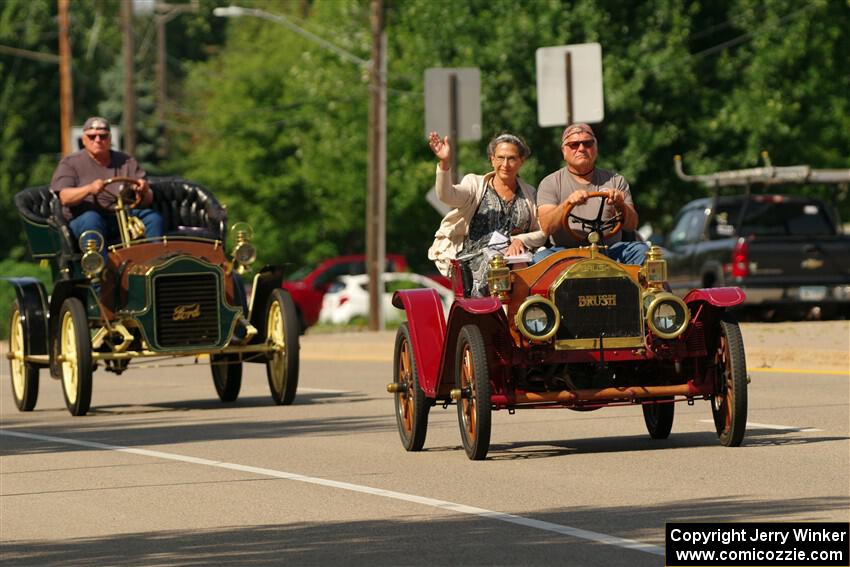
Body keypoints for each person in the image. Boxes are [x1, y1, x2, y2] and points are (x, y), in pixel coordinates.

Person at [427, 131, 547, 296]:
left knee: (532, 266)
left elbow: (542, 232)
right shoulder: (474, 185)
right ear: (492, 159)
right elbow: (447, 196)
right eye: (500, 158)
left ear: (521, 161)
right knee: (498, 265)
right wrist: (445, 163)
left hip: (518, 259)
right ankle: (493, 308)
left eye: (512, 158)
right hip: (477, 259)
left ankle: (525, 310)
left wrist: (520, 240)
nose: (505, 164)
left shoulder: (530, 193)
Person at [535, 123, 647, 265]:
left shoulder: (616, 180)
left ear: (596, 148)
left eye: (587, 143)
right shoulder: (550, 183)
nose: (581, 148)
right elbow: (546, 227)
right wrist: (567, 203)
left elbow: (632, 225)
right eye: (574, 145)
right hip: (566, 253)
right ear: (564, 151)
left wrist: (621, 205)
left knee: (642, 251)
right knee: (540, 259)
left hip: (609, 251)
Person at [50, 116, 163, 252]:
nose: (98, 140)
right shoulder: (70, 163)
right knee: (91, 219)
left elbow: (147, 200)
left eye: (103, 136)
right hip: (86, 218)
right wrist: (89, 189)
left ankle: (153, 259)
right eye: (92, 137)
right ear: (84, 140)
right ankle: (98, 263)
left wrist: (143, 190)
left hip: (121, 215)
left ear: (110, 139)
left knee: (152, 218)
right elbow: (65, 197)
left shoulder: (127, 161)